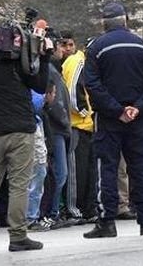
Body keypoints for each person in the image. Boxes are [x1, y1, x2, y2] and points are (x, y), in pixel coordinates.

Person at [83, 2, 143, 238]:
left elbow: (92, 85)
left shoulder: (96, 48)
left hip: (109, 118)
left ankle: (107, 221)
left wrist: (116, 109)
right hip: (137, 118)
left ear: (103, 23)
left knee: (107, 167)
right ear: (126, 21)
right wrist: (138, 108)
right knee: (141, 166)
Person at [0, 17, 51, 254]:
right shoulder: (19, 60)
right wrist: (43, 57)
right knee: (18, 185)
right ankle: (18, 236)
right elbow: (40, 86)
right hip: (20, 131)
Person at [61, 40, 98, 223]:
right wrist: (88, 113)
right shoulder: (78, 62)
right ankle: (74, 210)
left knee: (90, 170)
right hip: (78, 125)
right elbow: (73, 95)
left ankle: (89, 209)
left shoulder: (87, 63)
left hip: (88, 126)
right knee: (77, 171)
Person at [44, 41, 72, 228]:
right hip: (56, 130)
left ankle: (53, 211)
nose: (63, 50)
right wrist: (65, 122)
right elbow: (54, 103)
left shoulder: (56, 71)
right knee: (58, 174)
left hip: (58, 129)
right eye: (60, 46)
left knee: (59, 174)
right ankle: (51, 212)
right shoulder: (50, 72)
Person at [26, 91, 49, 231]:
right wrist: (43, 97)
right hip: (30, 126)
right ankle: (30, 217)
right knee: (37, 173)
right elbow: (34, 104)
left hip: (30, 124)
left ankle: (29, 216)